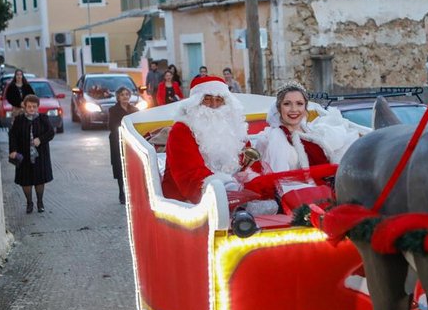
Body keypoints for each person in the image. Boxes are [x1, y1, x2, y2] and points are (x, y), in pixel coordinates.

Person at [254, 83, 361, 212]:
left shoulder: (311, 131)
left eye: (299, 104)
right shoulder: (276, 137)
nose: (294, 109)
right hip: (302, 206)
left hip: (329, 199)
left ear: (305, 107)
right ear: (279, 107)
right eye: (287, 104)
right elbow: (280, 181)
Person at [161, 76, 265, 206]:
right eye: (207, 99)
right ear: (195, 103)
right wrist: (225, 190)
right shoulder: (181, 130)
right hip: (187, 204)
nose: (214, 105)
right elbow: (190, 176)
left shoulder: (234, 127)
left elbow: (252, 166)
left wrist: (251, 185)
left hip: (234, 196)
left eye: (219, 99)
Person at [8, 95, 55, 213]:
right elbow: (12, 135)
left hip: (40, 155)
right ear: (25, 107)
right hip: (23, 155)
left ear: (38, 107)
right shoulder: (19, 120)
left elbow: (51, 132)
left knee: (39, 180)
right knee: (26, 180)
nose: (32, 109)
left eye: (34, 107)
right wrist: (13, 150)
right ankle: (29, 203)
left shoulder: (43, 118)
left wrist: (40, 139)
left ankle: (40, 202)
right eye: (29, 107)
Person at [109, 86, 139, 205]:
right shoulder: (113, 110)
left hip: (132, 142)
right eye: (122, 94)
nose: (125, 96)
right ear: (118, 97)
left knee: (132, 167)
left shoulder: (134, 110)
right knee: (120, 168)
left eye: (127, 94)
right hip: (118, 142)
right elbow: (111, 126)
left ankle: (132, 192)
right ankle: (122, 192)